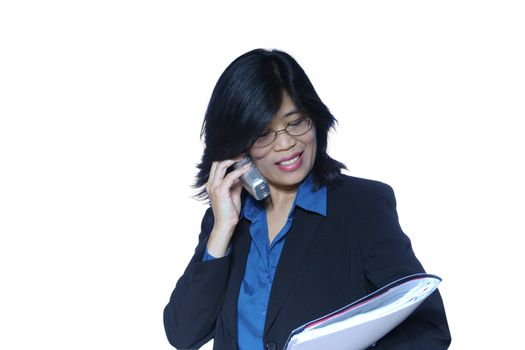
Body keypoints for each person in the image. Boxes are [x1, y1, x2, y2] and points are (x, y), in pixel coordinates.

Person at [163, 48, 451, 350]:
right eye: (263, 134)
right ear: (237, 149)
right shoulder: (225, 220)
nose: (287, 143)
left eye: (296, 121)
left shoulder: (363, 207)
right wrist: (222, 229)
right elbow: (184, 334)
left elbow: (427, 328)